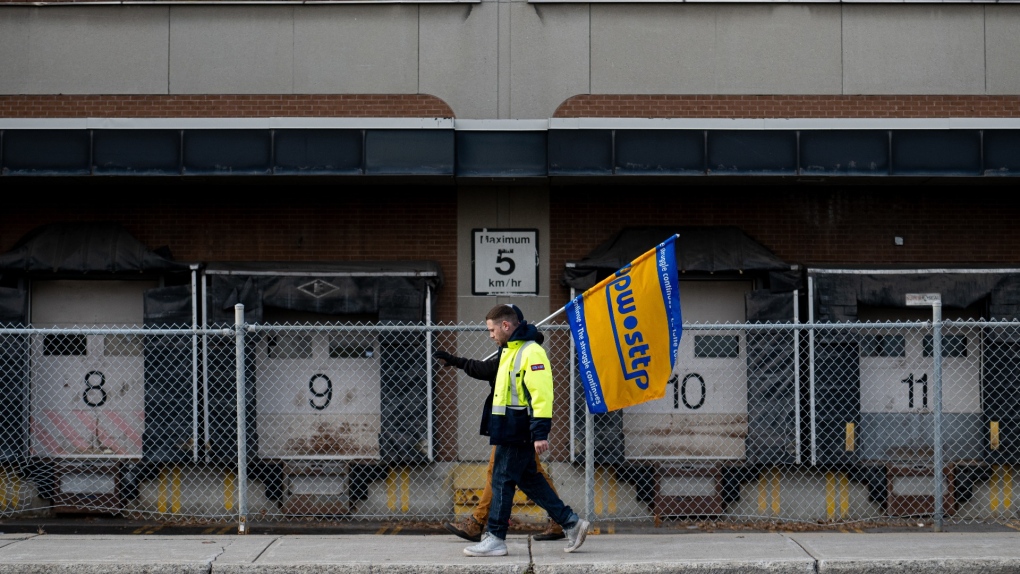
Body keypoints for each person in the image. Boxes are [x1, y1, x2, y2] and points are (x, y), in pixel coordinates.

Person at [449, 304, 589, 557]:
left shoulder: (530, 351)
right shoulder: (509, 351)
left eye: (492, 330)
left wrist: (540, 433)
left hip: (518, 429)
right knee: (530, 480)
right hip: (507, 427)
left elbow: (542, 394)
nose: (490, 335)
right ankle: (571, 522)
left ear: (505, 325)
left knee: (502, 479)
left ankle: (495, 538)